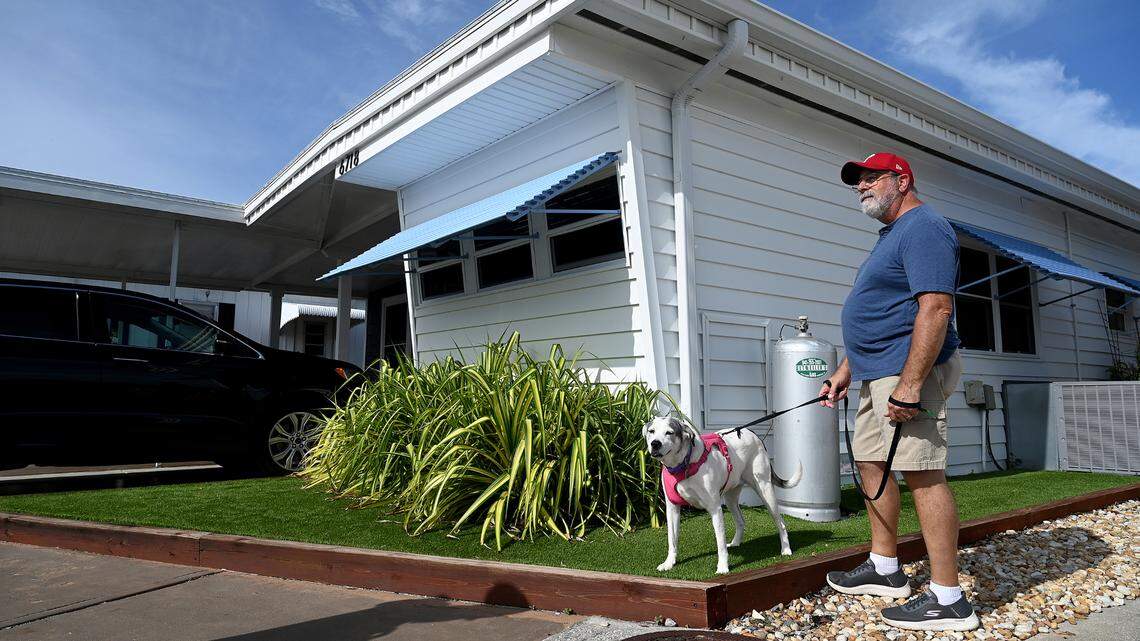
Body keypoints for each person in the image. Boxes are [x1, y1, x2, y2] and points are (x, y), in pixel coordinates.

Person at [820, 153, 978, 632]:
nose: (862, 187)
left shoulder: (925, 226)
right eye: (859, 182)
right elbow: (885, 310)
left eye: (872, 178)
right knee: (873, 464)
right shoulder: (891, 236)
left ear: (902, 180)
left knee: (922, 471)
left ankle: (950, 599)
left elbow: (935, 309)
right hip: (877, 371)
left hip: (908, 372)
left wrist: (910, 386)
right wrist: (847, 369)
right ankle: (886, 570)